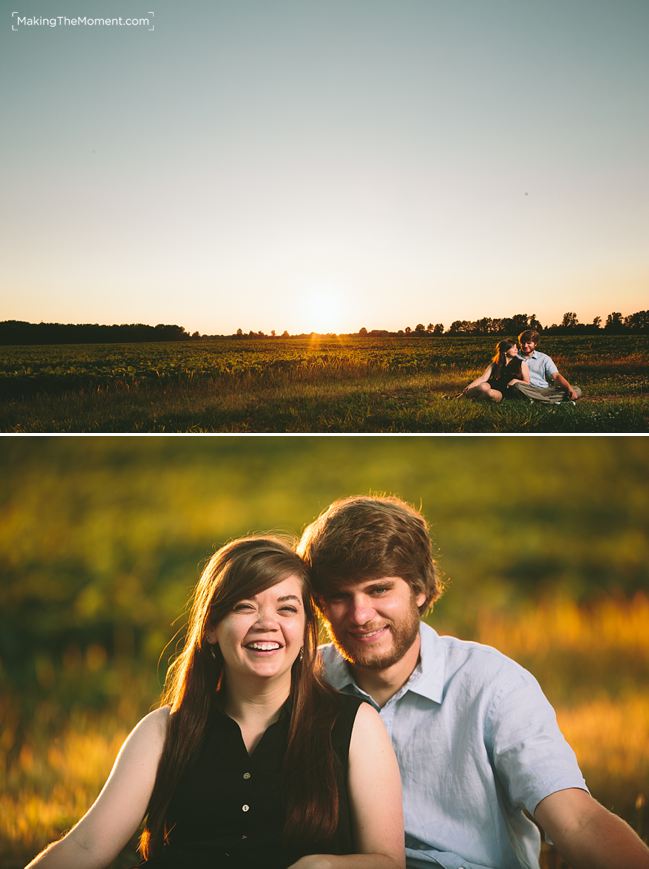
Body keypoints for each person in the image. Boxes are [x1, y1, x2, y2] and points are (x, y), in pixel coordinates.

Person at [298, 496, 649, 869]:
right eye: (339, 597)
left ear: (418, 589)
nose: (360, 615)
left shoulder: (493, 686)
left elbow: (578, 820)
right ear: (319, 604)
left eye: (379, 590)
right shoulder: (304, 682)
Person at [26, 536, 404, 869]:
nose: (267, 622)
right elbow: (86, 845)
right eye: (244, 606)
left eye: (286, 608)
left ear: (305, 631)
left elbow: (388, 862)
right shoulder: (163, 731)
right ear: (210, 628)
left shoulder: (355, 725)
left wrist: (324, 866)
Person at [512, 329, 582, 403]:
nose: (525, 345)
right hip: (526, 388)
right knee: (517, 386)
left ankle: (537, 399)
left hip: (544, 389)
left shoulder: (544, 358)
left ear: (535, 344)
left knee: (576, 390)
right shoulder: (514, 357)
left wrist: (569, 389)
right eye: (523, 343)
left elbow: (556, 376)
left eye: (529, 343)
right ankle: (548, 401)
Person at [463, 339, 530, 402]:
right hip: (493, 385)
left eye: (516, 347)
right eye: (513, 347)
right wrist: (469, 387)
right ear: (505, 351)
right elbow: (483, 378)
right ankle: (463, 395)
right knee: (482, 386)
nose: (516, 349)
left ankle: (474, 401)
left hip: (505, 391)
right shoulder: (496, 363)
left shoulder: (521, 363)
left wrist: (515, 380)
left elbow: (527, 382)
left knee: (490, 393)